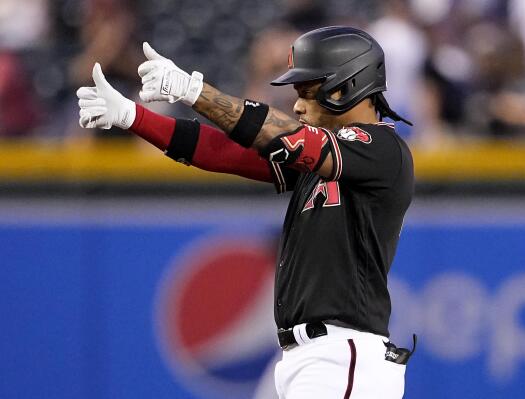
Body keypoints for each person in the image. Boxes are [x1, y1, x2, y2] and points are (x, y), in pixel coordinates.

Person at [77, 26, 415, 398]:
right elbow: (223, 152)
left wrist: (193, 91)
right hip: (311, 357)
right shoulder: (322, 156)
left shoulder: (383, 148)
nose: (298, 105)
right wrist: (133, 117)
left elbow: (287, 138)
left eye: (307, 92)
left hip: (344, 355)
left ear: (344, 87)